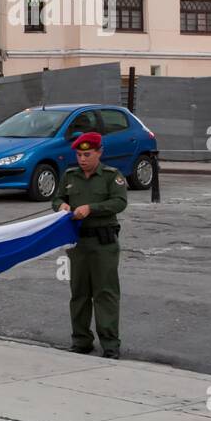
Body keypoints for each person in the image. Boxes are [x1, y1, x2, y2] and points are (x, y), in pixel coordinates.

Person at [53, 131, 128, 358]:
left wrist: (91, 208)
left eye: (87, 154)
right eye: (79, 154)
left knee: (105, 293)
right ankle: (81, 341)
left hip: (103, 243)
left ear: (99, 153)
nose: (82, 159)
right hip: (78, 244)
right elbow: (57, 198)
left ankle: (110, 344)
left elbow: (119, 202)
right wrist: (61, 207)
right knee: (79, 293)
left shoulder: (111, 176)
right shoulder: (70, 175)